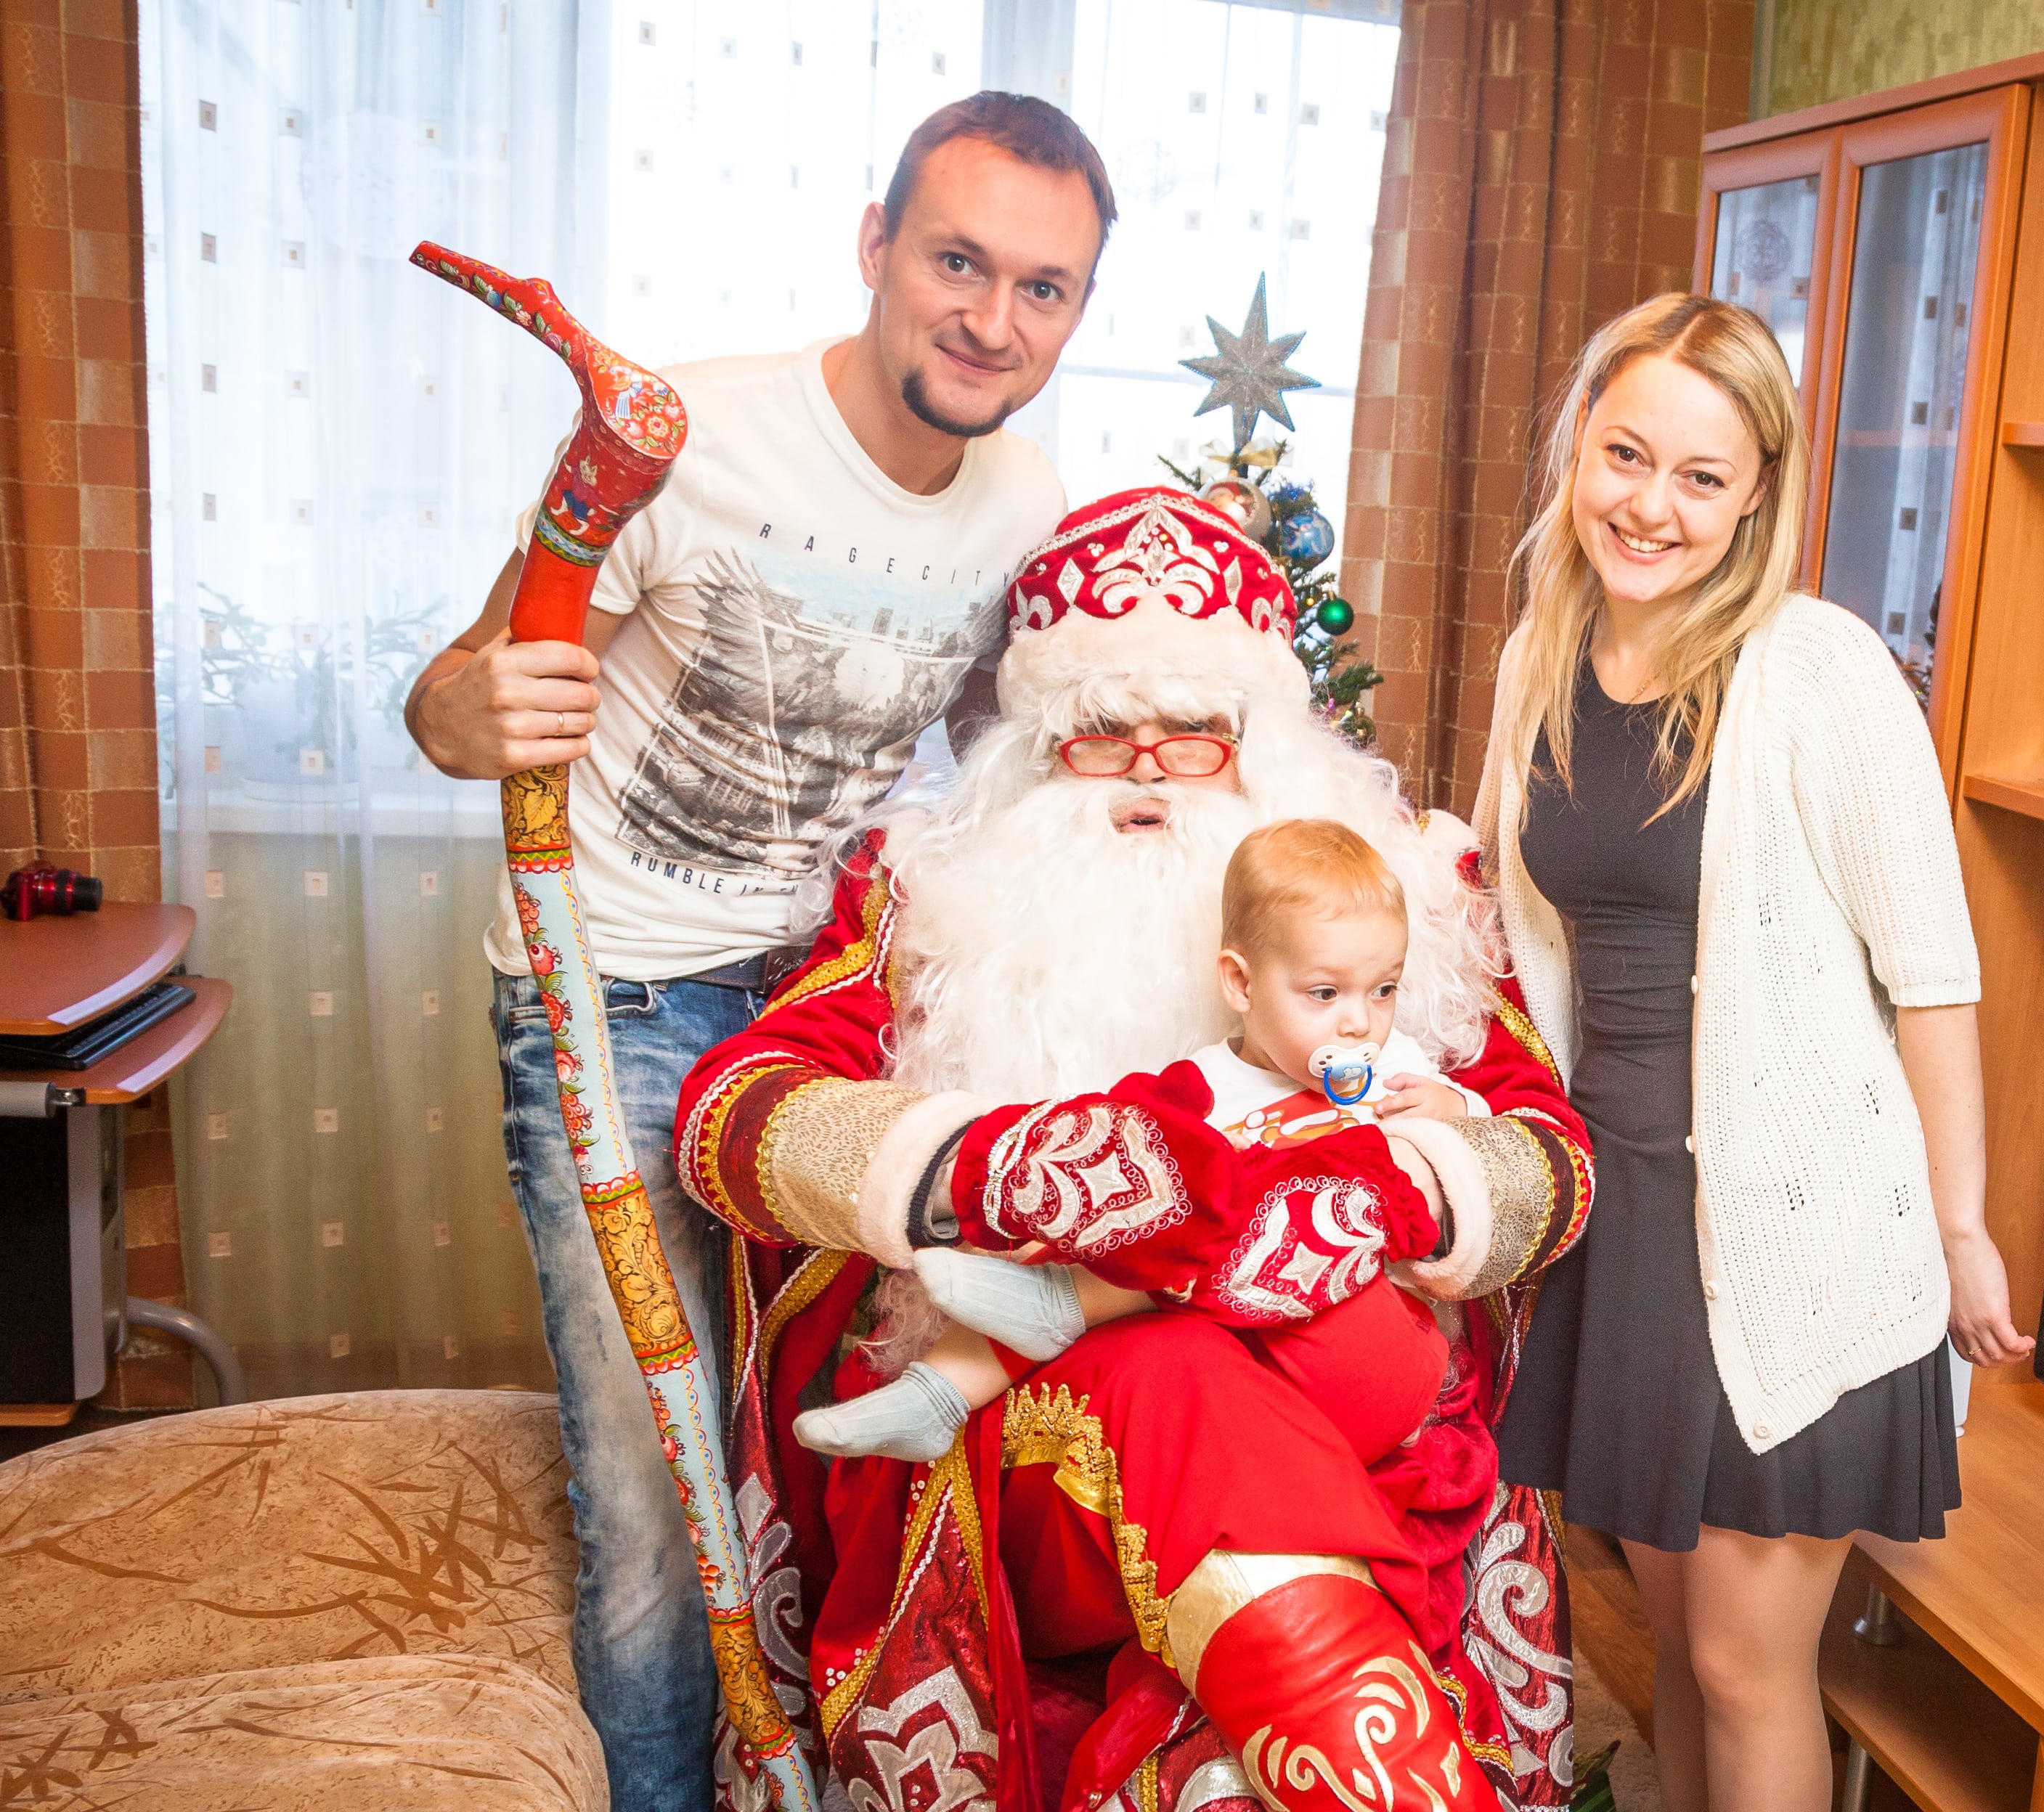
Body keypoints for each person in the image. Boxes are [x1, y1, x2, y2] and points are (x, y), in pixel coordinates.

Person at [672, 488, 1594, 1812]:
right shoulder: (922, 900)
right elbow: (734, 1118)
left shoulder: (1395, 903)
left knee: (1214, 1387)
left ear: (1262, 746)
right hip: (1050, 1427)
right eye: (1103, 733)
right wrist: (1000, 1171)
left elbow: (1551, 1157)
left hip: (1343, 1373)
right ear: (1039, 744)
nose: (1149, 769)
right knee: (1177, 1378)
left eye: (1194, 737)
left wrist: (1402, 1189)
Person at [400, 93, 1109, 1812]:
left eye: (1041, 288)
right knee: (657, 1489)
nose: (991, 319)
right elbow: (451, 690)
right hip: (617, 998)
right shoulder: (688, 436)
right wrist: (466, 715)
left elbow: (1005, 763)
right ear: (874, 246)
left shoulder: (1025, 500)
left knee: (818, 1441)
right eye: (955, 262)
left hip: (818, 1020)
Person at [1474, 293, 2035, 1812]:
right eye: (1624, 455)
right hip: (1623, 1224)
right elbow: (1514, 935)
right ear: (1577, 448)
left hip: (1801, 1231)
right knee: (1671, 1641)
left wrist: (1959, 1227)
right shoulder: (1542, 655)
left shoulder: (1818, 671)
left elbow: (1934, 977)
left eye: (1700, 476)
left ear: (1756, 496)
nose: (1649, 506)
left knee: (1744, 1665)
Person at [786, 817, 1482, 1466]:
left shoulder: (1399, 1071)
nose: (1361, 1023)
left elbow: (1464, 1155)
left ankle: (1062, 1305)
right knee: (1137, 1211)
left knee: (1277, 1195)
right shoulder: (1199, 1088)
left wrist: (1451, 1109)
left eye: (1383, 989)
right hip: (1241, 1371)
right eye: (1326, 994)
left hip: (1370, 1354)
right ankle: (933, 1397)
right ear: (1240, 983)